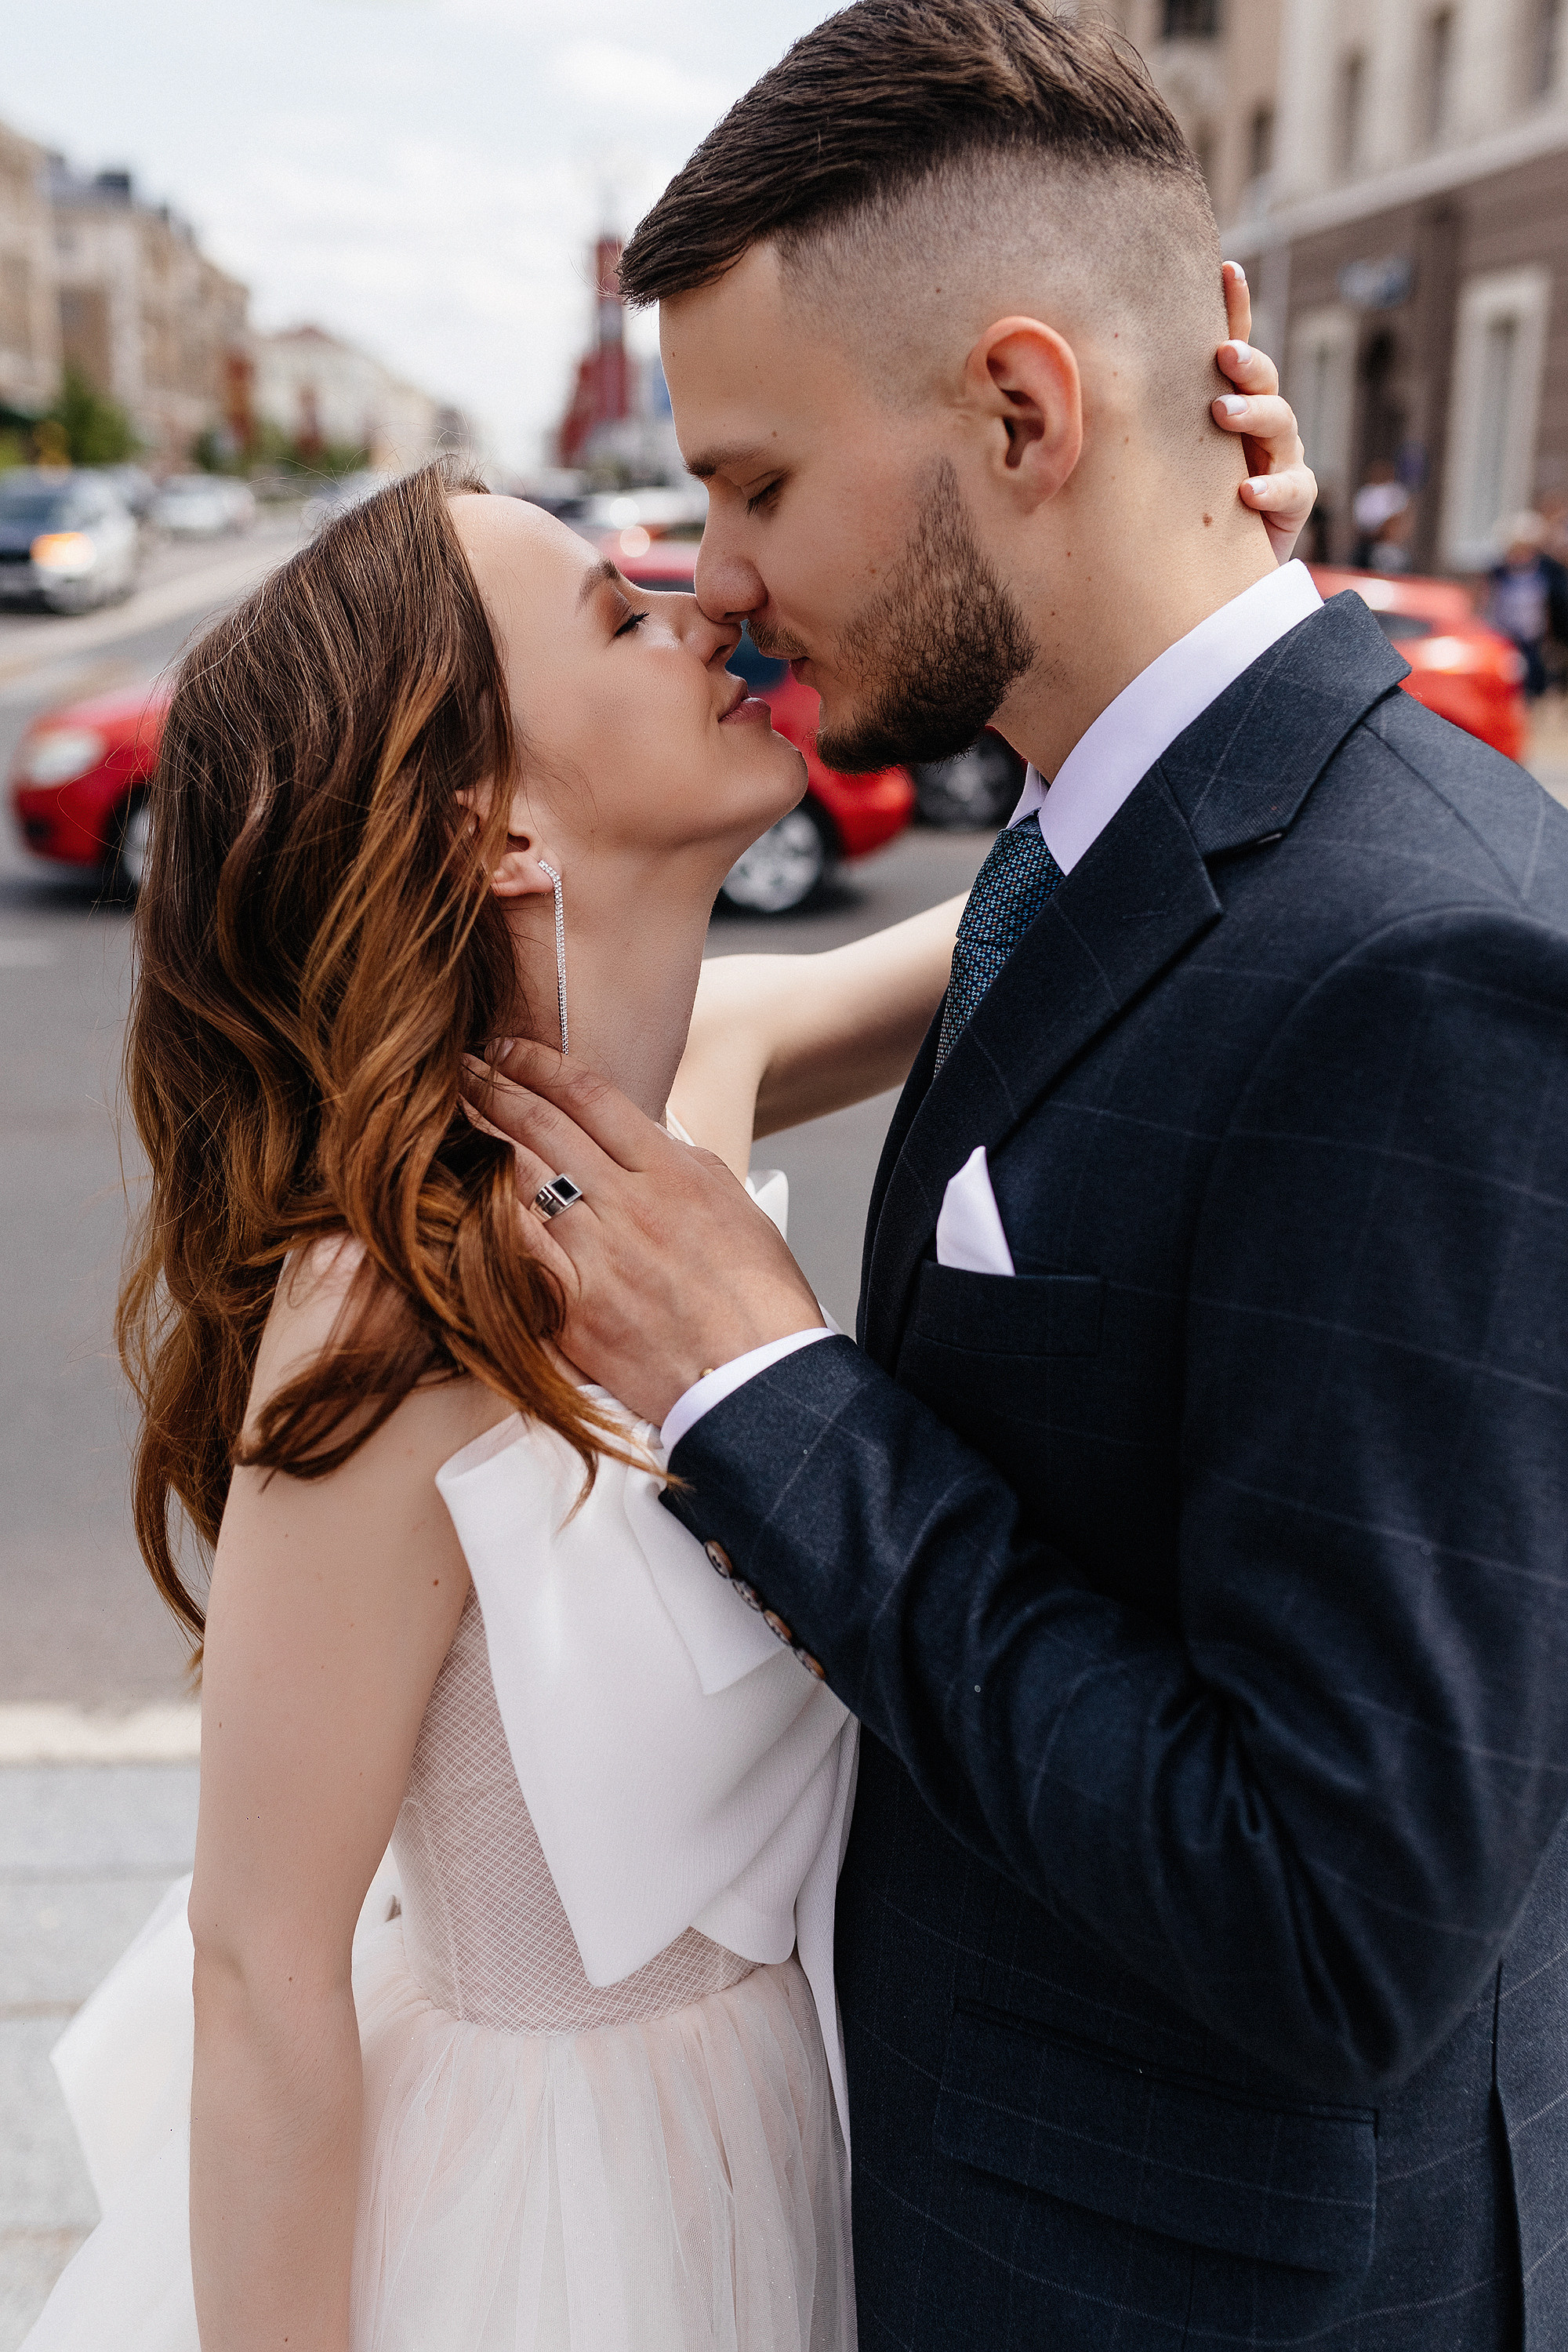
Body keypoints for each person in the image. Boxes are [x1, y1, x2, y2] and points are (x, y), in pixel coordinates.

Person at [21, 318, 1312, 2348]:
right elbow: (264, 1972)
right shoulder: (389, 1296)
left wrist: (1203, 564)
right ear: (495, 828)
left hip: (813, 2133)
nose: (704, 597)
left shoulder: (700, 1080)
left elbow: (1101, 876)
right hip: (547, 2234)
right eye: (621, 612)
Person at [469, 5, 1568, 2348]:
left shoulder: (1421, 971)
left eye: (755, 483)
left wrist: (774, 1397)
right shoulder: (1112, 826)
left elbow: (1342, 1916)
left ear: (1018, 414)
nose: (718, 570)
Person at [1486, 511, 1568, 701]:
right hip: (1504, 636)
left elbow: (1552, 606)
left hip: (1532, 638)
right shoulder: (1498, 572)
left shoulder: (1546, 570)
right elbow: (1488, 601)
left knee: (1533, 683)